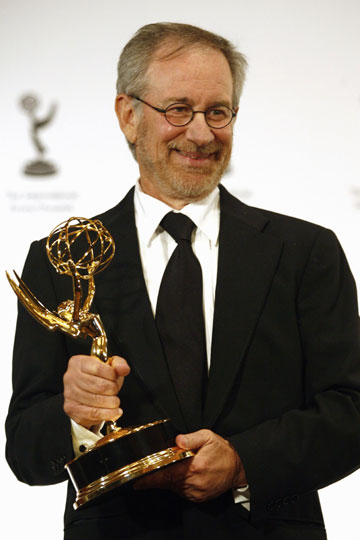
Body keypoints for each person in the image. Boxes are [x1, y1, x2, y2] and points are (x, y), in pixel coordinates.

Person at [5, 22, 360, 540]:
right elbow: (25, 452)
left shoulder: (306, 252)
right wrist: (76, 418)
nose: (201, 133)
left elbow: (351, 411)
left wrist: (243, 463)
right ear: (129, 116)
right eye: (178, 109)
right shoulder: (62, 259)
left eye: (217, 112)